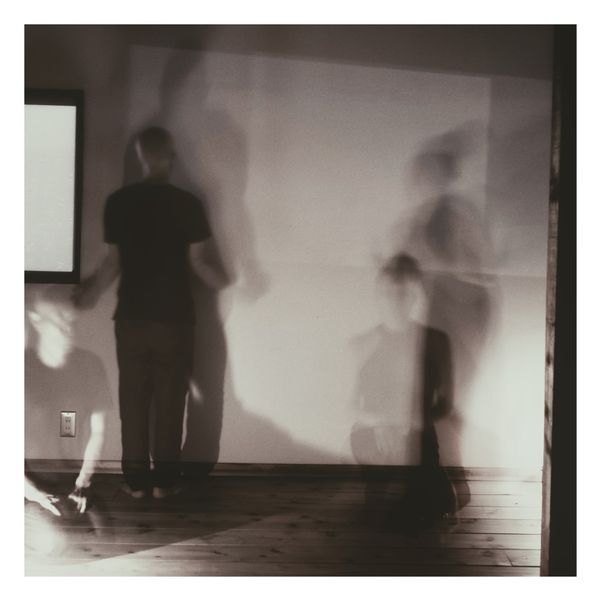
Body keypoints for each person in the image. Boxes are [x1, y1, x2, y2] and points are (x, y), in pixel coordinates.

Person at [73, 126, 227, 499]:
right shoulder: (188, 203)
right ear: (170, 157)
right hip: (174, 319)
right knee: (172, 401)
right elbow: (201, 264)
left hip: (131, 318)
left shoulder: (118, 202)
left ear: (141, 156)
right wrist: (226, 280)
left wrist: (89, 293)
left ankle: (137, 483)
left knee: (134, 400)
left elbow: (111, 264)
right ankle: (164, 482)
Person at [350, 253, 456, 531]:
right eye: (387, 293)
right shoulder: (361, 343)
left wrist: (408, 422)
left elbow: (445, 403)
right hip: (373, 431)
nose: (394, 301)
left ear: (413, 296)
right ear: (377, 295)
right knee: (380, 511)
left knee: (430, 510)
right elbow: (348, 404)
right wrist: (380, 422)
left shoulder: (437, 341)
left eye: (403, 293)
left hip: (417, 430)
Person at [25, 286, 109, 514]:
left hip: (74, 485)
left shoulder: (90, 365)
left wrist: (83, 481)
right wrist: (32, 492)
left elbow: (98, 431)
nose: (68, 329)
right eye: (59, 320)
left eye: (71, 320)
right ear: (36, 320)